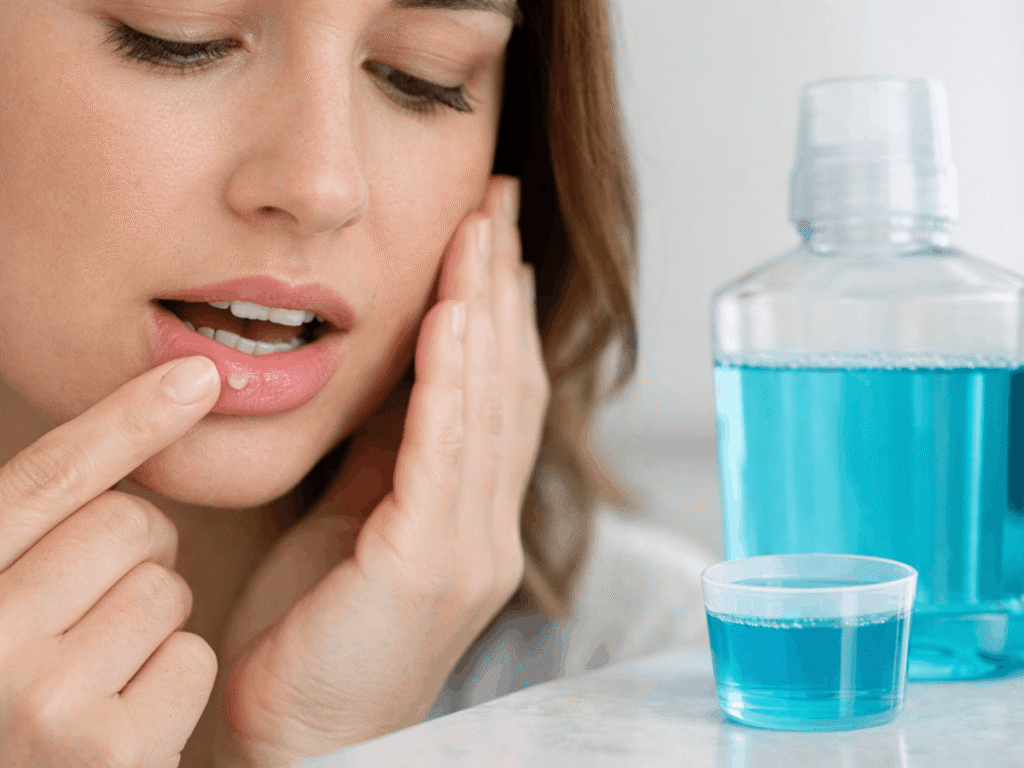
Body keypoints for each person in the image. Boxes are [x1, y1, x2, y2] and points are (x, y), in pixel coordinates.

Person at [0, 0, 637, 764]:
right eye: (178, 38)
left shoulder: (662, 681)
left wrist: (321, 750)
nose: (323, 186)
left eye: (420, 75)